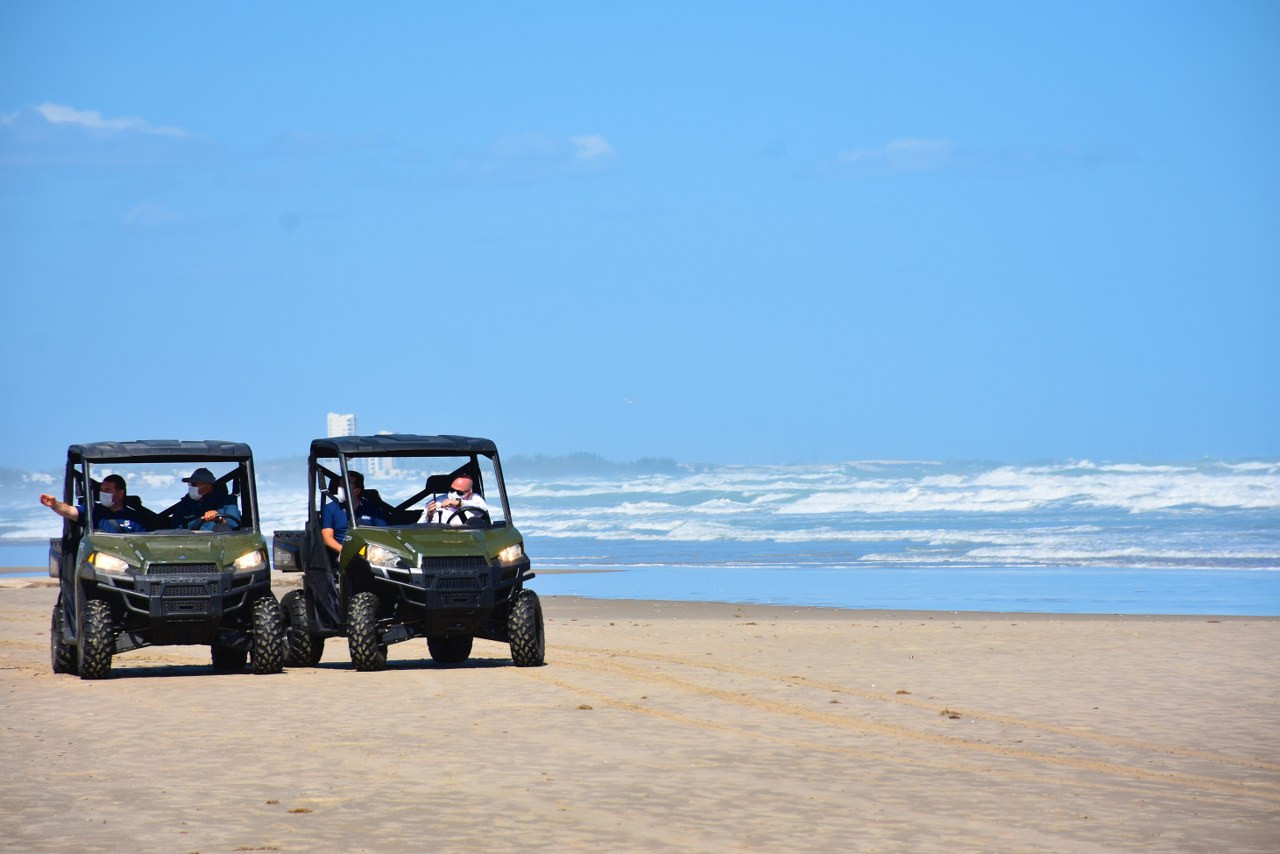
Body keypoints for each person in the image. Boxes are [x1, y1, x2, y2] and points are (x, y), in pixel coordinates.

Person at [39, 474, 149, 533]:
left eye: (107, 490)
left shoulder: (134, 518)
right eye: (102, 490)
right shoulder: (92, 511)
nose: (103, 493)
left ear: (120, 493)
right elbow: (69, 511)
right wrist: (55, 504)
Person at [320, 471, 387, 557]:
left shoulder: (372, 509)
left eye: (344, 485)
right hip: (342, 554)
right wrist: (346, 553)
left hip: (371, 554)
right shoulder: (330, 509)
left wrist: (374, 553)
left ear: (357, 491)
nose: (340, 488)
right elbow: (327, 538)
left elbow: (383, 535)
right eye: (340, 485)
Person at [172, 467, 241, 531]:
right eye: (190, 484)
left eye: (194, 484)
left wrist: (219, 519)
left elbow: (235, 526)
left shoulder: (228, 502)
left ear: (208, 486)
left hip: (219, 539)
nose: (191, 487)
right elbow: (175, 530)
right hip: (191, 540)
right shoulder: (183, 506)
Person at [425, 476, 489, 526]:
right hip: (441, 536)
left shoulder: (474, 498)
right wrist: (429, 516)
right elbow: (421, 527)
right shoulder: (436, 502)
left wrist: (459, 503)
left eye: (459, 492)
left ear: (469, 493)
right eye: (452, 490)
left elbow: (484, 508)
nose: (454, 494)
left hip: (467, 536)